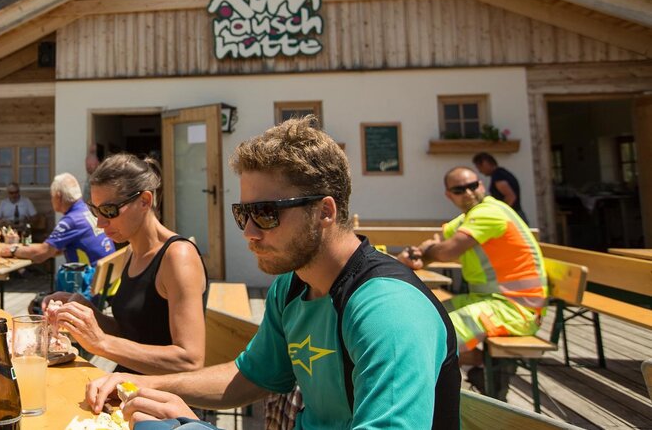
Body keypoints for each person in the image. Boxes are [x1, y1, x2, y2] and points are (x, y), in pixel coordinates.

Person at [86, 117, 459, 428]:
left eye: (266, 213)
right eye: (242, 213)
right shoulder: (293, 286)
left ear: (325, 212)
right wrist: (137, 384)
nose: (249, 231)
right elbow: (249, 377)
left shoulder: (388, 310)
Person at [43, 158, 207, 375]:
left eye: (109, 210)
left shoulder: (177, 257)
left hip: (161, 400)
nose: (100, 223)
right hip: (127, 386)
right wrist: (85, 308)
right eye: (95, 210)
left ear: (144, 201)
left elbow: (189, 360)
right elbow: (132, 332)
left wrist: (102, 343)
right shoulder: (131, 252)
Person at [399, 165, 546, 399]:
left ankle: (482, 372)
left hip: (517, 308)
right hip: (490, 300)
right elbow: (438, 243)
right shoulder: (468, 219)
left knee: (433, 337)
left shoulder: (491, 212)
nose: (468, 192)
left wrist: (428, 250)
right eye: (459, 189)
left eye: (472, 185)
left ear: (482, 184)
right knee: (424, 317)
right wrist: (423, 253)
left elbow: (446, 251)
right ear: (449, 194)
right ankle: (488, 365)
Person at [0, 173, 115, 269]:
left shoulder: (71, 221)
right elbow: (53, 250)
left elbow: (41, 254)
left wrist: (12, 249)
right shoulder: (87, 210)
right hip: (106, 281)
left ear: (58, 196)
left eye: (52, 196)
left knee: (47, 296)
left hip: (90, 287)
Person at [472, 152, 525, 218]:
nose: (480, 171)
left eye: (479, 167)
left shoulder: (498, 176)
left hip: (512, 216)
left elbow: (510, 197)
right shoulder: (501, 173)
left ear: (485, 163)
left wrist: (501, 213)